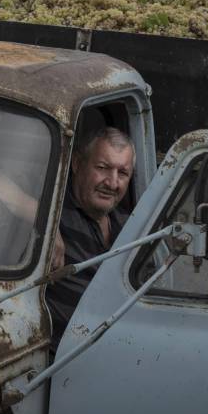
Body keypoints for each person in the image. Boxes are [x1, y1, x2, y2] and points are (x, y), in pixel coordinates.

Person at [45, 126, 135, 353]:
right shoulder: (54, 209)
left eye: (122, 173)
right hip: (57, 361)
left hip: (117, 354)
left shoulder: (132, 225)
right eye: (103, 168)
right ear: (76, 164)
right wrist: (43, 221)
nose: (113, 183)